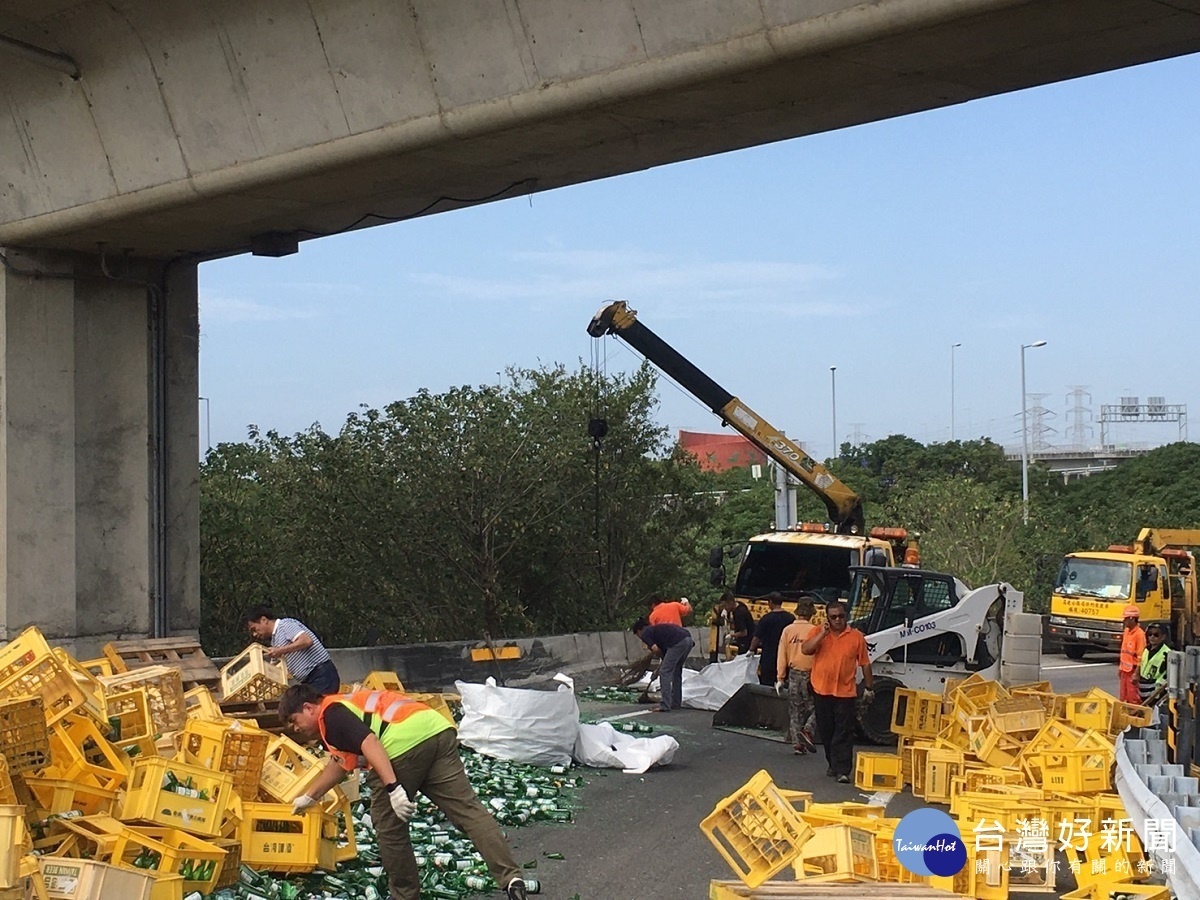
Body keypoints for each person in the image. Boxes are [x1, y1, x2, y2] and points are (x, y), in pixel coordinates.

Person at [279, 684, 529, 900]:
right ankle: (511, 879)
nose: (295, 729)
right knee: (468, 810)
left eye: (294, 720)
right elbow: (343, 763)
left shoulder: (331, 715)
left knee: (389, 827)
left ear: (308, 708)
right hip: (436, 731)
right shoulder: (346, 709)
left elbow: (369, 742)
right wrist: (310, 796)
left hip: (402, 746)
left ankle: (405, 895)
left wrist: (393, 788)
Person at [802, 600, 873, 783]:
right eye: (833, 617)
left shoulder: (856, 637)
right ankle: (832, 764)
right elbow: (806, 650)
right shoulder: (818, 632)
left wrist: (869, 688)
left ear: (846, 616)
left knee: (844, 732)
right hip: (821, 690)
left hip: (845, 692)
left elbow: (865, 663)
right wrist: (823, 634)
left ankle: (843, 770)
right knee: (827, 731)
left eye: (841, 616)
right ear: (827, 619)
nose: (838, 620)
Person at [244, 606, 341, 694]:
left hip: (321, 674)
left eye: (254, 629)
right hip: (309, 680)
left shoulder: (285, 625)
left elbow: (306, 640)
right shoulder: (275, 641)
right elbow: (274, 668)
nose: (255, 634)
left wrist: (280, 651)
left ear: (264, 620)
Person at [776, 598, 818, 754]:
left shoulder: (788, 630)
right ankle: (808, 730)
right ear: (812, 612)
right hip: (812, 675)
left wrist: (780, 678)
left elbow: (782, 655)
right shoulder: (815, 631)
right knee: (816, 707)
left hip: (794, 674)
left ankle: (797, 744)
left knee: (795, 709)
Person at [632, 617, 695, 711]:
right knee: (676, 672)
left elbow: (655, 649)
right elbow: (666, 657)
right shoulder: (657, 632)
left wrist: (659, 670)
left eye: (638, 635)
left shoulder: (646, 633)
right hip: (688, 640)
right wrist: (657, 671)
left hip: (678, 643)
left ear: (639, 631)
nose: (640, 638)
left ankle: (665, 705)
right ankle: (676, 703)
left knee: (664, 673)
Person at [749, 593, 794, 687]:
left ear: (770, 602)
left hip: (768, 658)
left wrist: (751, 650)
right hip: (786, 658)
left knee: (766, 684)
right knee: (784, 685)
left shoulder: (766, 619)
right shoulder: (790, 618)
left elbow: (757, 637)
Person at [1118, 604, 1146, 704]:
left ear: (1132, 619)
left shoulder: (1139, 634)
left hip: (1133, 671)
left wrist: (1136, 674)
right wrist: (1120, 669)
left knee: (1133, 698)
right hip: (1125, 671)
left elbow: (1141, 657)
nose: (1123, 621)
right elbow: (1124, 652)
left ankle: (1135, 717)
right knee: (1123, 697)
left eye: (1125, 619)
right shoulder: (1126, 632)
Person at [1139, 624, 1170, 705]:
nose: (1152, 637)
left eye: (1156, 635)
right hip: (1143, 687)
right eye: (1150, 634)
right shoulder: (1146, 649)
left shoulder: (1166, 653)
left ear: (1163, 637)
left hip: (1156, 692)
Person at [719, 590, 754, 655]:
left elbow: (744, 632)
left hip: (746, 642)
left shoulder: (739, 613)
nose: (724, 608)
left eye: (725, 606)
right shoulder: (740, 605)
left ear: (731, 603)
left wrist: (731, 635)